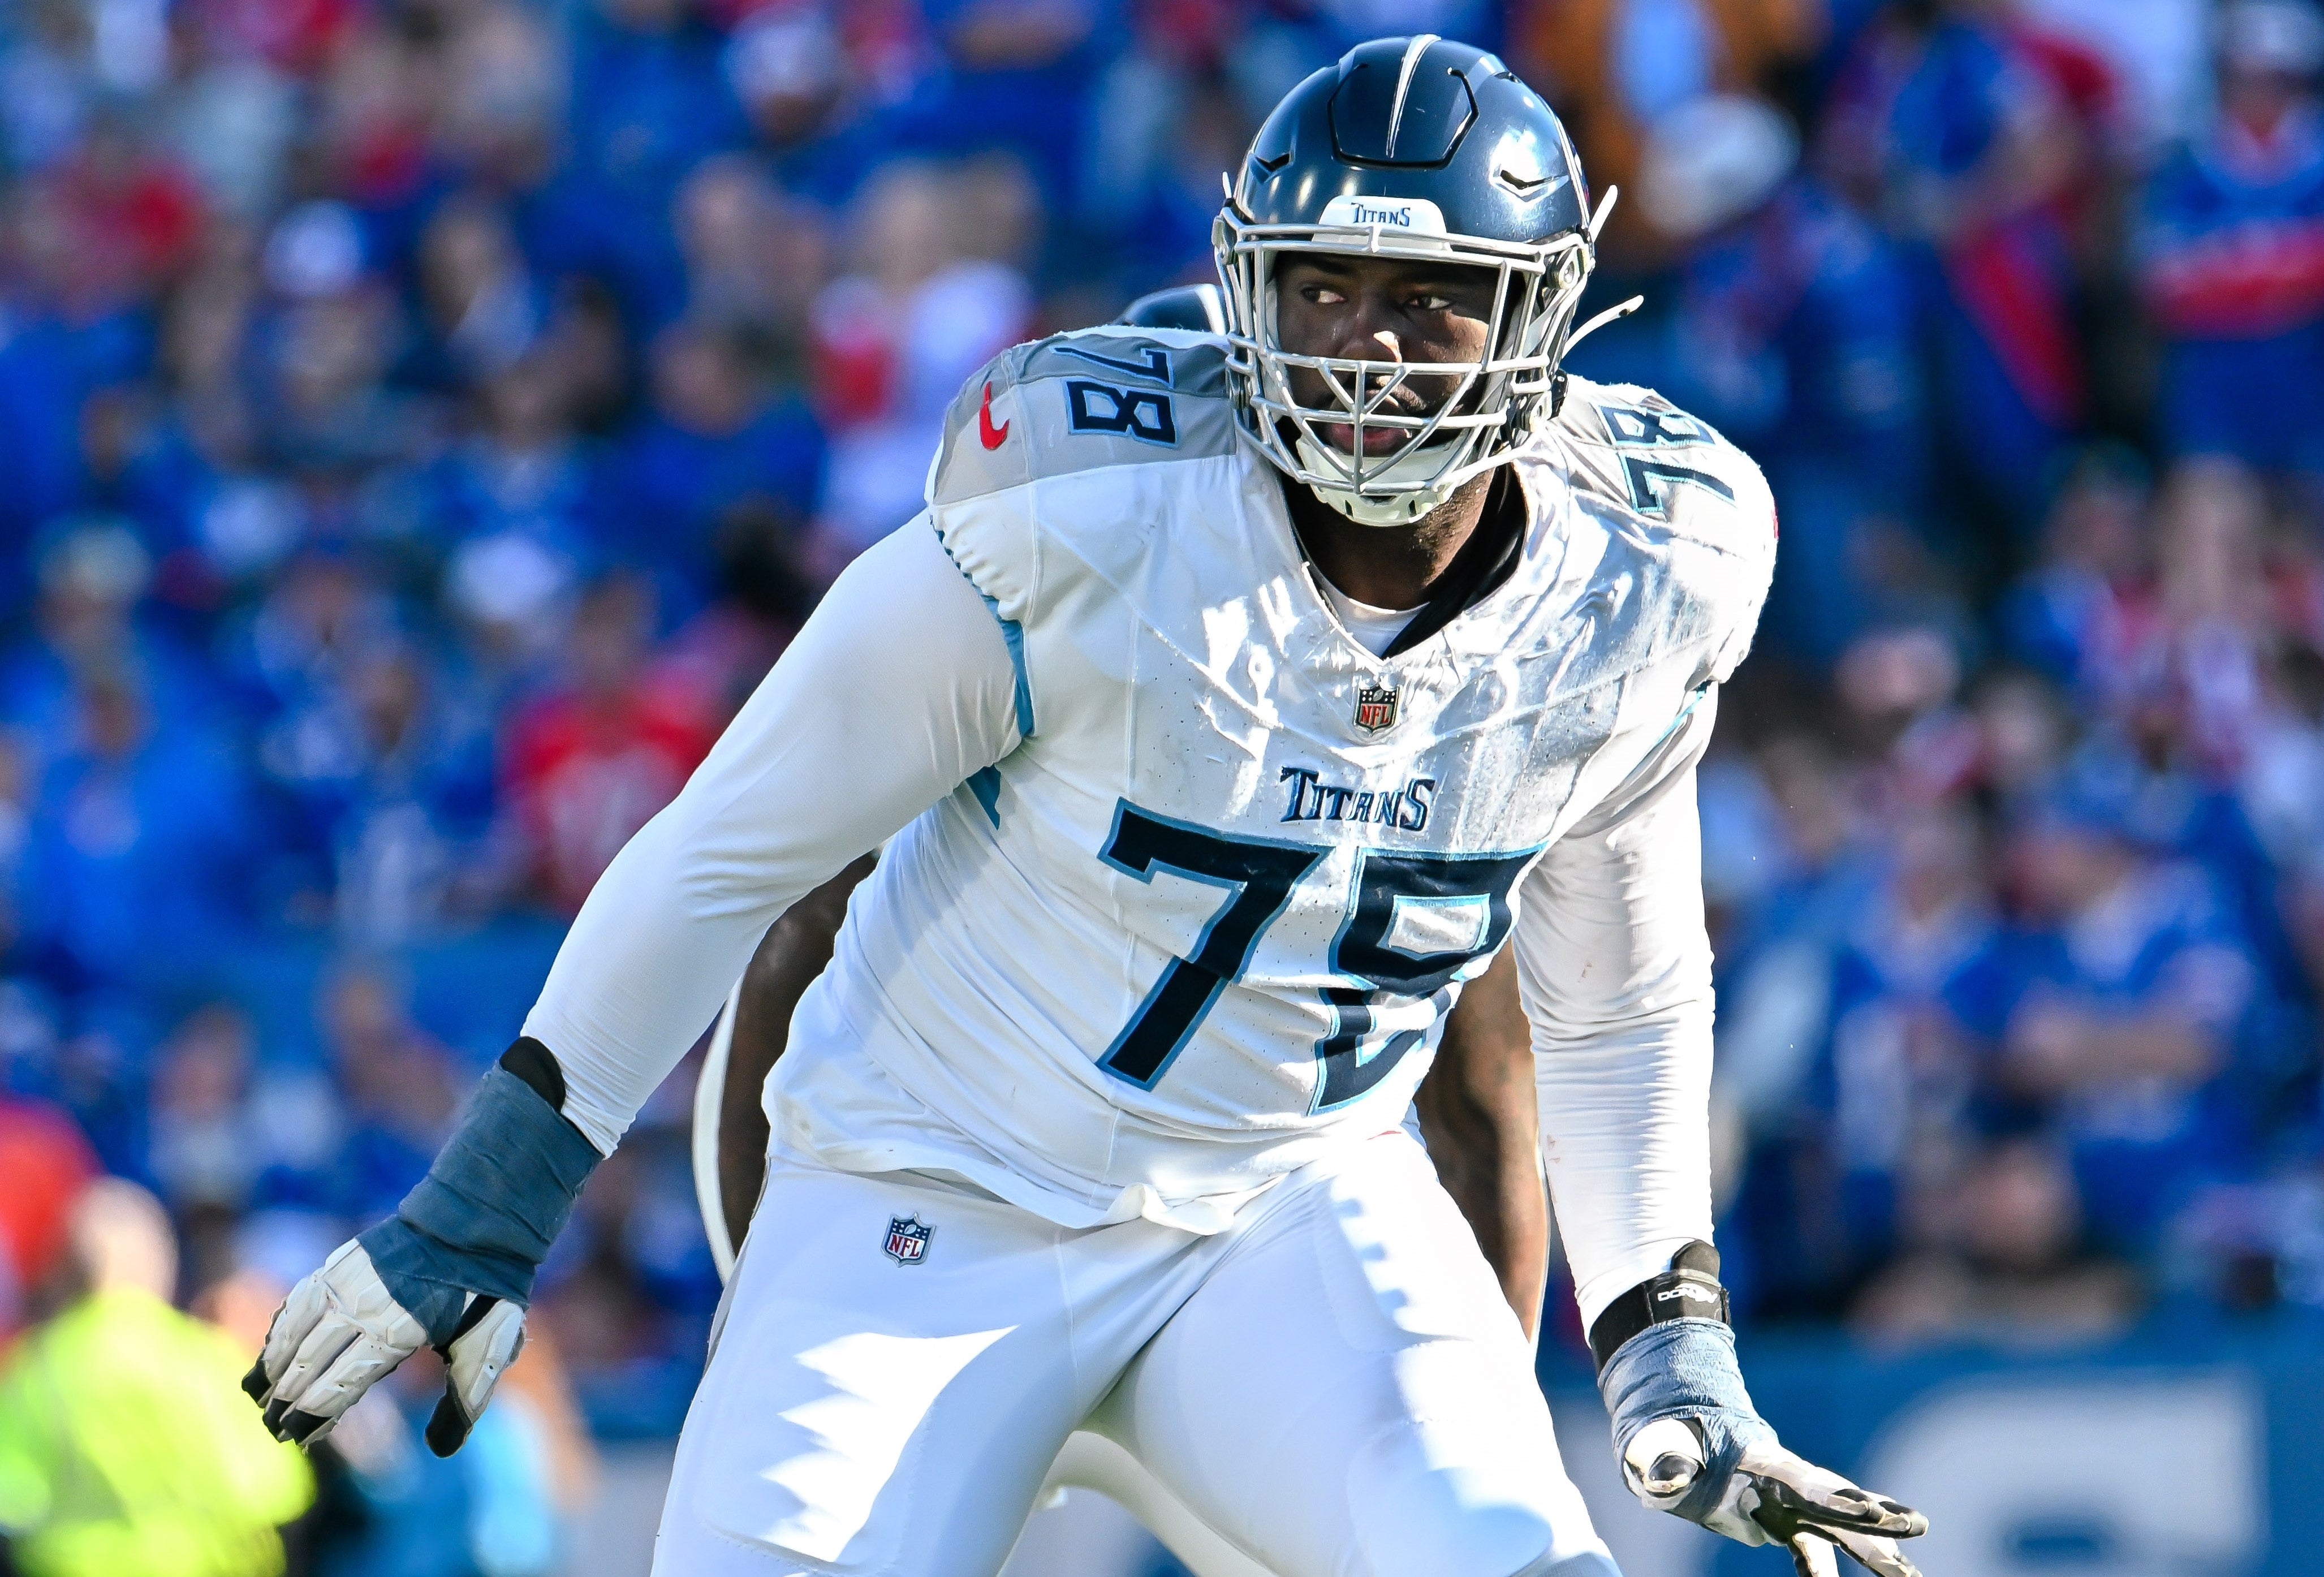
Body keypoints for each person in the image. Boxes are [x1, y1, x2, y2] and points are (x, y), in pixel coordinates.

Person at [244, 37, 1927, 1577]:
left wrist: (1663, 1329)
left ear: (1539, 318)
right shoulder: (1089, 506)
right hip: (928, 1190)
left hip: (1288, 1201)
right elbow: (729, 850)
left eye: (1429, 297)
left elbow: (1615, 989)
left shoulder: (1637, 566)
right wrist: (488, 1202)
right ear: (1244, 287)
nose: (1365, 348)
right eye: (1323, 288)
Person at [0, 1180, 312, 1577]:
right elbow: (277, 1490)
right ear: (160, 1264)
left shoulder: (37, 1370)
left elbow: (12, 1498)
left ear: (67, 1269)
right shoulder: (209, 1362)